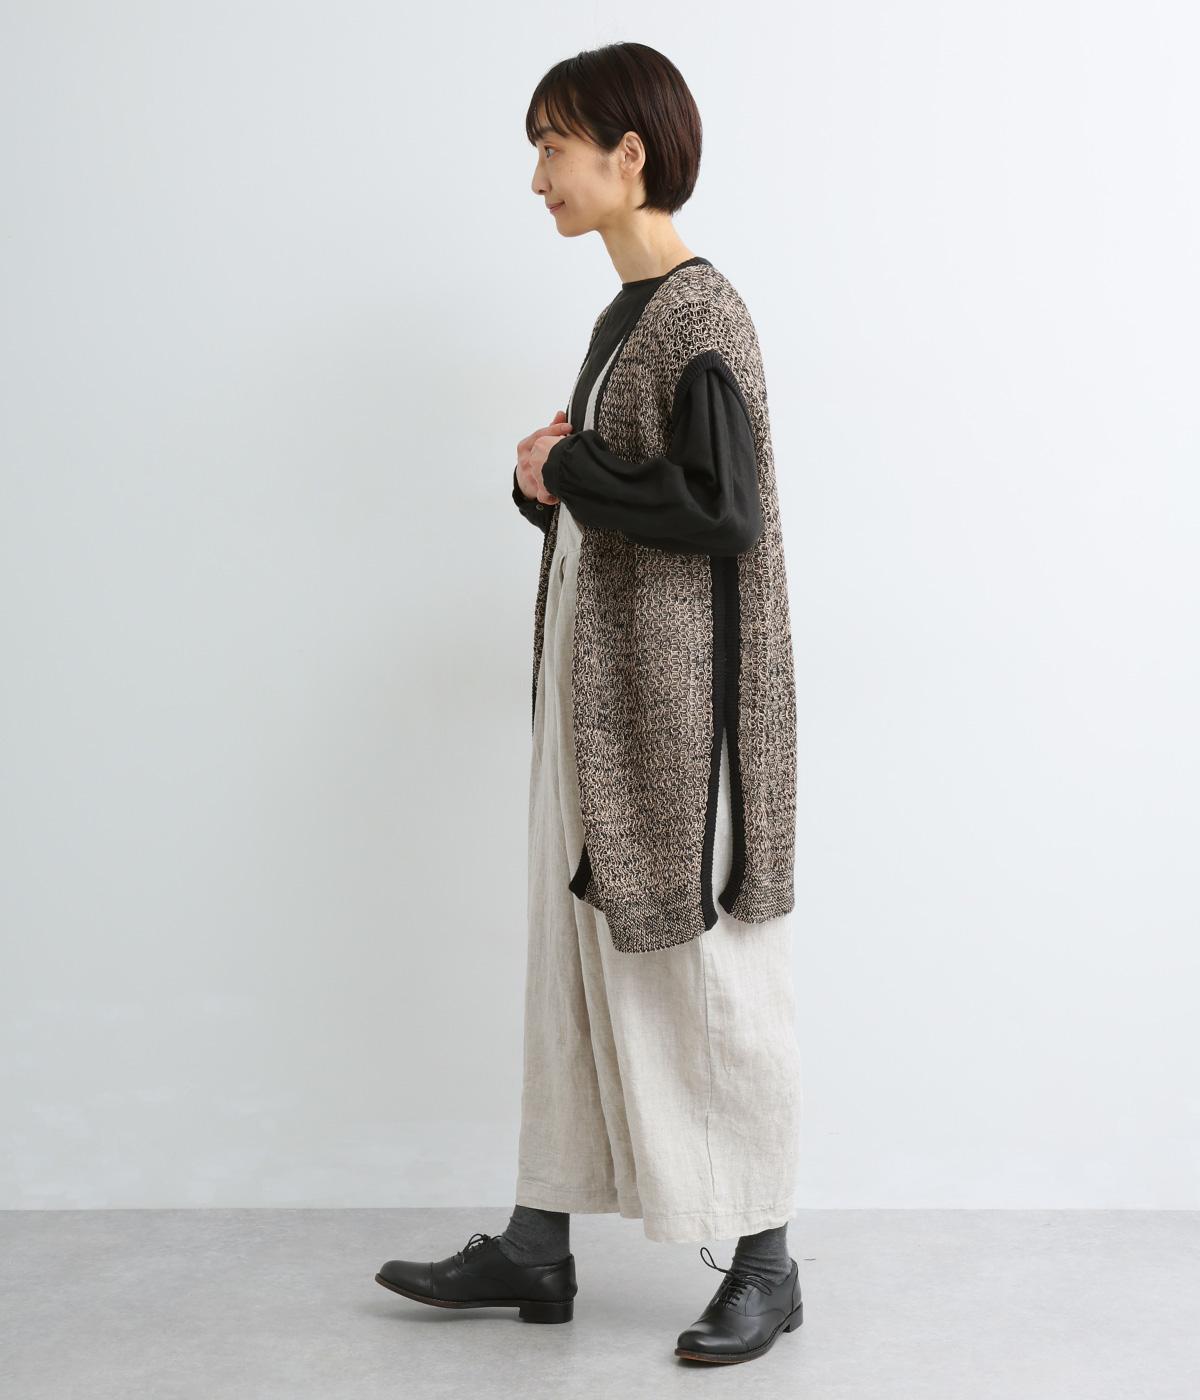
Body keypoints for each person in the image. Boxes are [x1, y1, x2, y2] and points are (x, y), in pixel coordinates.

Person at [376, 42, 804, 1366]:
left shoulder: (700, 312)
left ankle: (768, 1262)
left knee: (703, 978)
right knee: (569, 964)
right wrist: (546, 483)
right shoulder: (626, 312)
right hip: (603, 701)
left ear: (631, 154)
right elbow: (632, 495)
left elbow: (723, 512)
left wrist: (573, 473)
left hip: (680, 720)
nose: (538, 177)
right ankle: (538, 1240)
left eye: (554, 146)